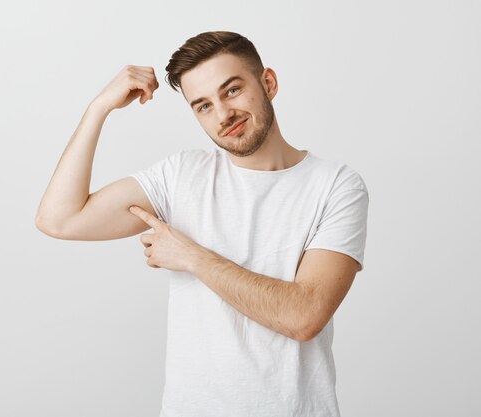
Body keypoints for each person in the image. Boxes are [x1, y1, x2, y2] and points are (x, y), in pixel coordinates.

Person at [35, 31, 369, 417]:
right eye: (203, 106)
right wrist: (98, 108)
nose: (223, 115)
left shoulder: (336, 186)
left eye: (231, 91)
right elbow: (59, 219)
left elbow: (303, 317)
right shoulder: (181, 176)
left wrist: (192, 257)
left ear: (268, 83)